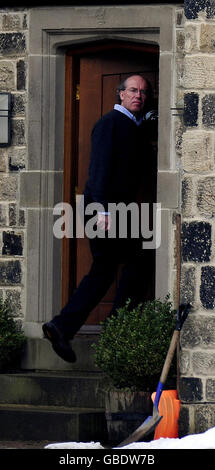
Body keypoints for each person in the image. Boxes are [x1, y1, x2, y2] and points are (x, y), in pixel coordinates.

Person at [42, 74, 158, 362]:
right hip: (105, 210)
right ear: (120, 94)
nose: (138, 96)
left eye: (143, 92)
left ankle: (66, 326)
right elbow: (99, 170)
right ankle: (114, 329)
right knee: (124, 264)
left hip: (120, 211)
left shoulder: (132, 125)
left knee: (121, 265)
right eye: (132, 90)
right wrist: (104, 212)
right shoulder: (110, 123)